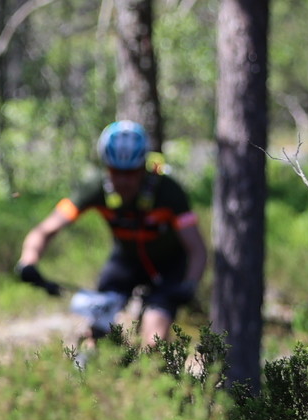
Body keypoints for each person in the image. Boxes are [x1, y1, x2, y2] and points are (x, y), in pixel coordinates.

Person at [14, 121, 207, 346]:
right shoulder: (94, 188)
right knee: (97, 329)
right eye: (116, 172)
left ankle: (153, 366)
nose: (123, 181)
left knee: (155, 336)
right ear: (106, 167)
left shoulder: (169, 192)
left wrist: (189, 284)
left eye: (131, 173)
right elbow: (45, 230)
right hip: (125, 261)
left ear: (143, 167)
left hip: (169, 267)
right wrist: (28, 262)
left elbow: (197, 249)